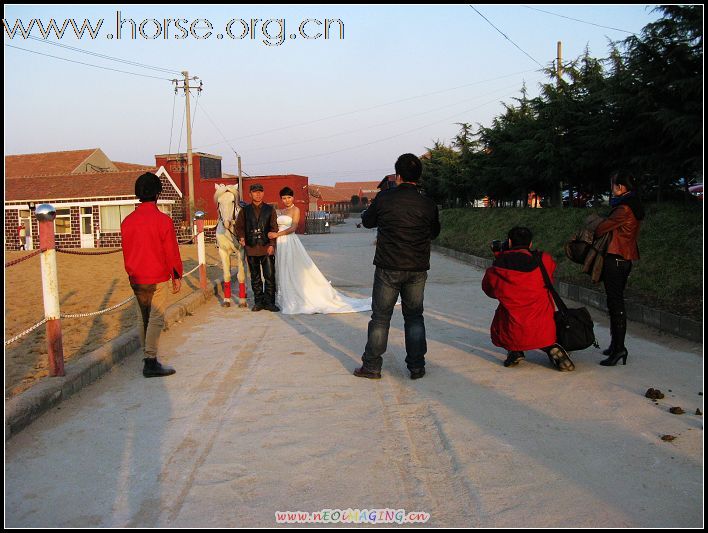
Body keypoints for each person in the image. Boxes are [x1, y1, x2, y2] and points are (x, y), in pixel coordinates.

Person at [354, 153, 440, 380]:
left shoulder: (384, 198)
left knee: (381, 317)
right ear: (419, 176)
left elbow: (368, 221)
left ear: (398, 175)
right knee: (414, 317)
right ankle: (417, 366)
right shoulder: (428, 203)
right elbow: (434, 232)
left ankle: (372, 366)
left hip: (388, 266)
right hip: (417, 267)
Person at [482, 226, 575, 372]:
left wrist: (500, 256)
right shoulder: (544, 259)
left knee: (502, 314)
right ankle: (550, 346)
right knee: (543, 319)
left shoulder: (498, 268)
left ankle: (515, 350)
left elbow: (490, 291)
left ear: (510, 242)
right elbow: (549, 276)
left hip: (514, 325)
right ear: (531, 243)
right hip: (542, 324)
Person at [267, 187, 371, 314]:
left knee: (293, 267)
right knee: (283, 268)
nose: (287, 200)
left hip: (289, 241)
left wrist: (278, 234)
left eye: (289, 197)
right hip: (281, 244)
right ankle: (285, 297)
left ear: (293, 198)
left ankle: (297, 297)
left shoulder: (296, 210)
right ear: (281, 199)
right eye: (284, 198)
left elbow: (293, 227)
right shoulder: (281, 211)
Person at [121, 172, 183, 378]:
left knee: (142, 316)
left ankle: (146, 355)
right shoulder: (163, 220)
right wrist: (177, 274)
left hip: (136, 276)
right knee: (156, 317)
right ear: (157, 193)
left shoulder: (127, 221)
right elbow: (171, 251)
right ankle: (150, 360)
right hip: (157, 275)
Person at [594, 171, 645, 366]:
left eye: (613, 185)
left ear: (621, 187)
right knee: (615, 302)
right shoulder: (632, 204)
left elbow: (600, 229)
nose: (612, 188)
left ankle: (619, 348)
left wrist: (598, 222)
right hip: (625, 258)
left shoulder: (623, 209)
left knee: (616, 304)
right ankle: (616, 345)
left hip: (616, 259)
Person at [236, 183, 280, 312]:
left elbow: (274, 228)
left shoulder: (270, 209)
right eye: (255, 192)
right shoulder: (245, 210)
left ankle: (270, 302)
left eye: (260, 191)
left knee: (270, 276)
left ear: (263, 193)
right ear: (250, 194)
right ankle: (258, 302)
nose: (258, 194)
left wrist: (272, 244)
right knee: (255, 277)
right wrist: (241, 237)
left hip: (267, 247)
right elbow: (239, 227)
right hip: (251, 247)